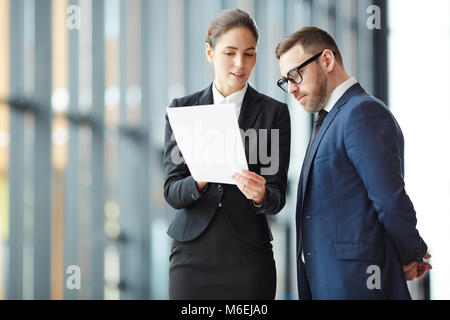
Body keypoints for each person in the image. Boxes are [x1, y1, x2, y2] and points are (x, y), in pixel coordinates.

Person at [275, 26, 431, 299]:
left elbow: (389, 199)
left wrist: (412, 253)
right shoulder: (332, 118)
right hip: (331, 282)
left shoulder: (361, 112)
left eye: (295, 75)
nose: (291, 88)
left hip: (356, 285)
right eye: (284, 81)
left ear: (326, 60)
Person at [163, 8, 291, 300]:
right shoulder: (183, 110)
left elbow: (277, 197)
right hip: (190, 258)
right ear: (210, 52)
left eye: (249, 54)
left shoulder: (274, 113)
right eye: (229, 53)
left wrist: (260, 194)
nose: (239, 64)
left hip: (248, 258)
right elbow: (172, 191)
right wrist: (200, 177)